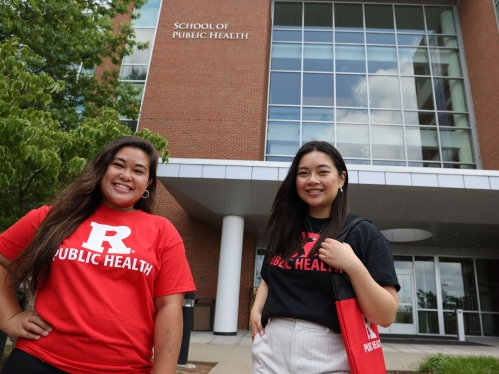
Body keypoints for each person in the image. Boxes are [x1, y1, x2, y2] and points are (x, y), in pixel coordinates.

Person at [0, 136, 196, 374]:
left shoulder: (163, 232)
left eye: (138, 170)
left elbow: (169, 307)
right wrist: (9, 319)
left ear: (148, 183)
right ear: (101, 169)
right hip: (38, 362)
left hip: (124, 369)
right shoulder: (51, 218)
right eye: (118, 165)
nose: (126, 175)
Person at [250, 141, 400, 374]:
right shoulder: (284, 229)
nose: (312, 180)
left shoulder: (363, 234)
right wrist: (256, 310)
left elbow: (386, 314)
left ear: (341, 179)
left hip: (330, 353)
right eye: (303, 173)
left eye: (322, 172)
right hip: (270, 349)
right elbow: (269, 278)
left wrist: (353, 265)